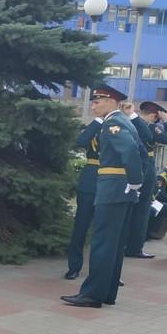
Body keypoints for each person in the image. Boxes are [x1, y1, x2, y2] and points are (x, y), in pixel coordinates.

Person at [62, 85, 143, 308]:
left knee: (102, 243)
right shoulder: (124, 121)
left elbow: (130, 152)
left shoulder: (113, 123)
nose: (93, 106)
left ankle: (92, 294)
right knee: (114, 245)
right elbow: (140, 152)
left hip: (112, 188)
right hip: (121, 189)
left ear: (111, 102)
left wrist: (135, 180)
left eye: (97, 101)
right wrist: (134, 183)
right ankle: (107, 292)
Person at [124, 101, 167, 259]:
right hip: (145, 170)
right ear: (154, 116)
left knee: (132, 208)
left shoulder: (127, 123)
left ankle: (126, 245)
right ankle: (134, 248)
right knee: (141, 210)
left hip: (132, 168)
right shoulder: (149, 127)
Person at [64, 114, 103, 279]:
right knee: (81, 226)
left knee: (106, 231)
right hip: (90, 181)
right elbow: (80, 142)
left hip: (112, 184)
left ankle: (105, 270)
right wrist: (99, 120)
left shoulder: (121, 127)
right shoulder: (94, 128)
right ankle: (74, 266)